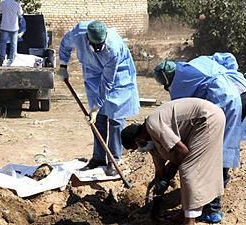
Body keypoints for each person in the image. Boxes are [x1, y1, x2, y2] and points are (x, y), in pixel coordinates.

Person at [153, 52, 246, 223]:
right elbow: (228, 58)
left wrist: (168, 173)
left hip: (226, 102)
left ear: (167, 81)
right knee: (221, 148)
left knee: (216, 154)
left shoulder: (179, 87)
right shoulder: (196, 63)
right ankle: (213, 197)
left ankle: (212, 210)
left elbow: (185, 131)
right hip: (241, 89)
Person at [121, 98, 225, 225]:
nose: (139, 149)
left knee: (189, 170)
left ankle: (189, 220)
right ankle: (185, 213)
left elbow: (183, 151)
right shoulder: (151, 140)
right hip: (198, 123)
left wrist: (169, 172)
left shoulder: (154, 126)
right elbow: (159, 169)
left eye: (135, 146)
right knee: (187, 168)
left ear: (137, 138)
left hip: (207, 119)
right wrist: (159, 185)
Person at [58, 20, 140, 176]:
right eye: (94, 45)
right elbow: (65, 45)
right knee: (98, 119)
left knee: (115, 119)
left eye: (99, 46)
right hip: (92, 74)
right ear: (87, 38)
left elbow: (107, 82)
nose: (97, 49)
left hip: (118, 77)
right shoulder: (78, 33)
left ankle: (114, 160)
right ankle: (98, 158)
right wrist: (63, 65)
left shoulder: (113, 48)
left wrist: (95, 107)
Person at [0, 0, 23, 66]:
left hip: (4, 25)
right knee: (14, 44)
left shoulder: (3, 3)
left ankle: (2, 59)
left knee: (3, 43)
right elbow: (20, 14)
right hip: (14, 27)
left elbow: (0, 12)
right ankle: (12, 60)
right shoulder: (17, 4)